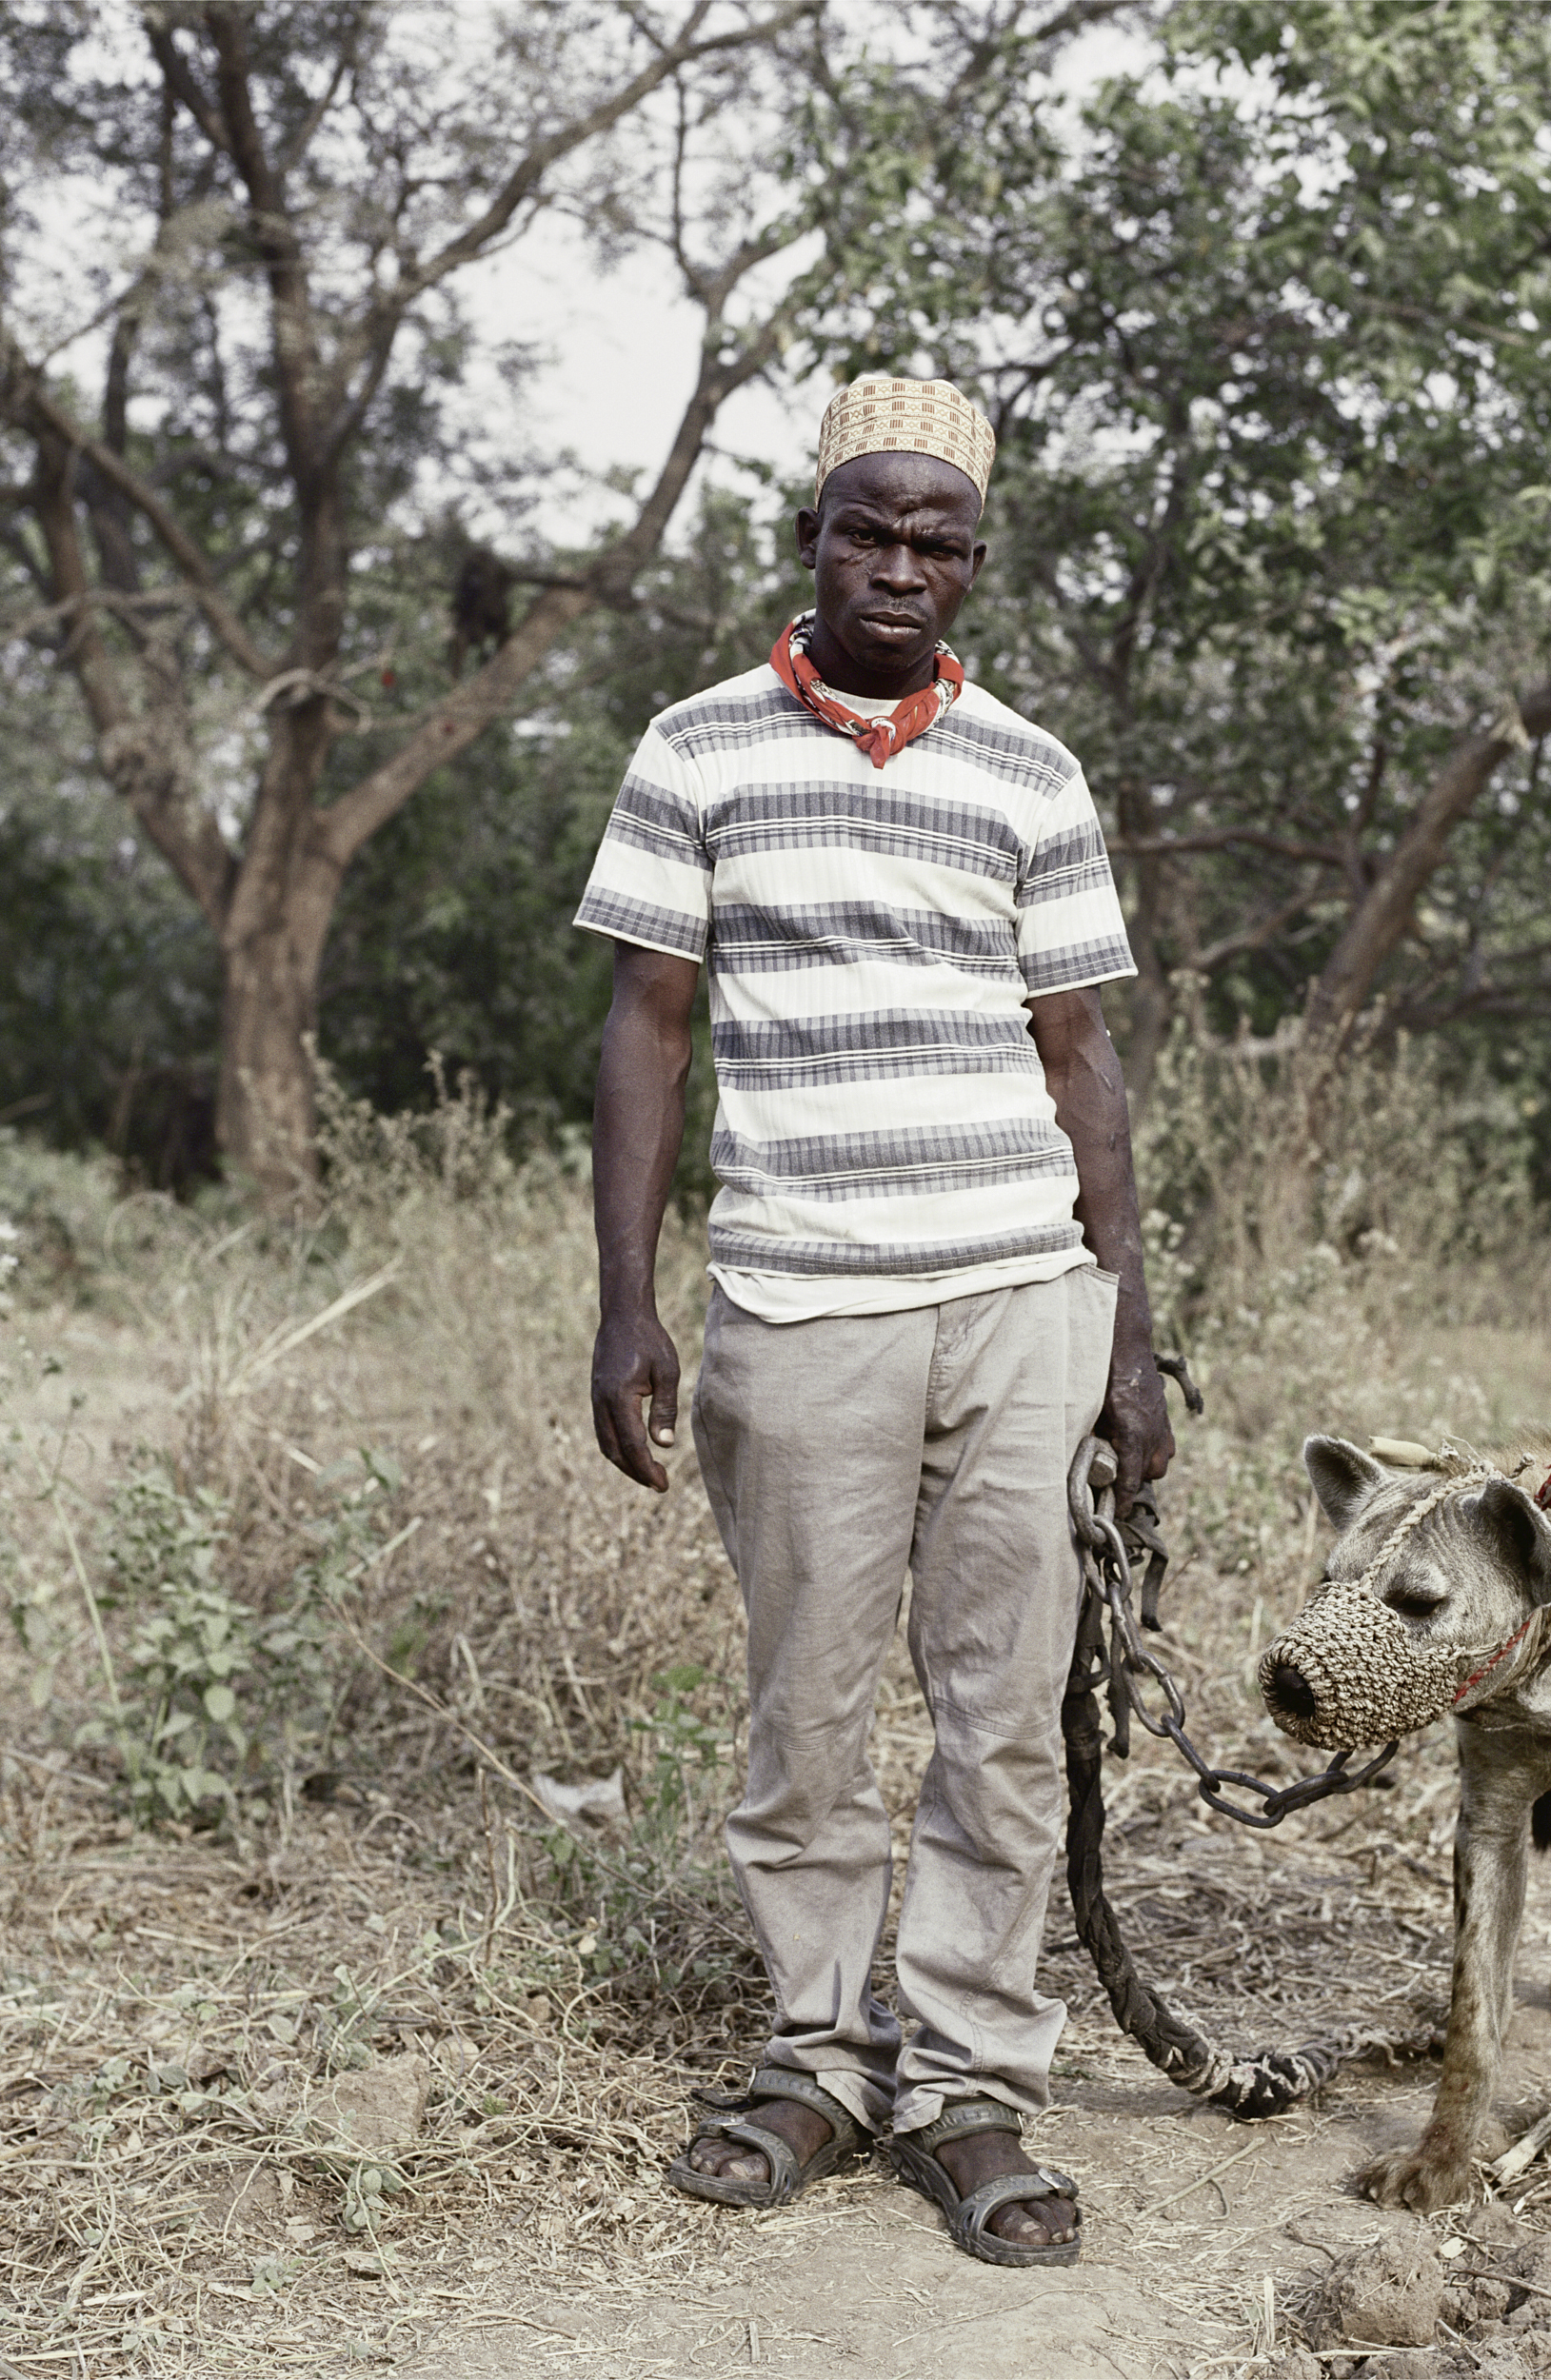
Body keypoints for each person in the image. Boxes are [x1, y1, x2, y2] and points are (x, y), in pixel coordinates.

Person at [577, 376, 1174, 2268]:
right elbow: (647, 1024)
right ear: (813, 535)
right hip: (798, 1300)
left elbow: (1080, 1056)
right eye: (870, 529)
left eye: (939, 540)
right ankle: (817, 2057)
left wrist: (1128, 1331)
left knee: (999, 1714)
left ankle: (969, 2086)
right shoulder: (694, 750)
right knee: (809, 1709)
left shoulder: (1029, 771)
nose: (901, 564)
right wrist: (624, 1299)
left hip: (1015, 1298)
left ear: (971, 562)